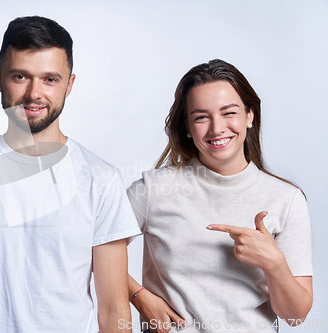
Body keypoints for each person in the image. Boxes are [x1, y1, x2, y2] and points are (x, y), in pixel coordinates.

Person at [0, 16, 140, 333]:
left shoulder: (101, 180)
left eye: (50, 79)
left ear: (69, 85)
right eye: (21, 76)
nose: (35, 93)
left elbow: (113, 307)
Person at [127, 59, 313, 333]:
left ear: (250, 115)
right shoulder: (154, 189)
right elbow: (89, 246)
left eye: (229, 113)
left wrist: (274, 264)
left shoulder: (287, 199)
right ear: (188, 127)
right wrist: (140, 298)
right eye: (201, 117)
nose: (217, 129)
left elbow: (295, 317)